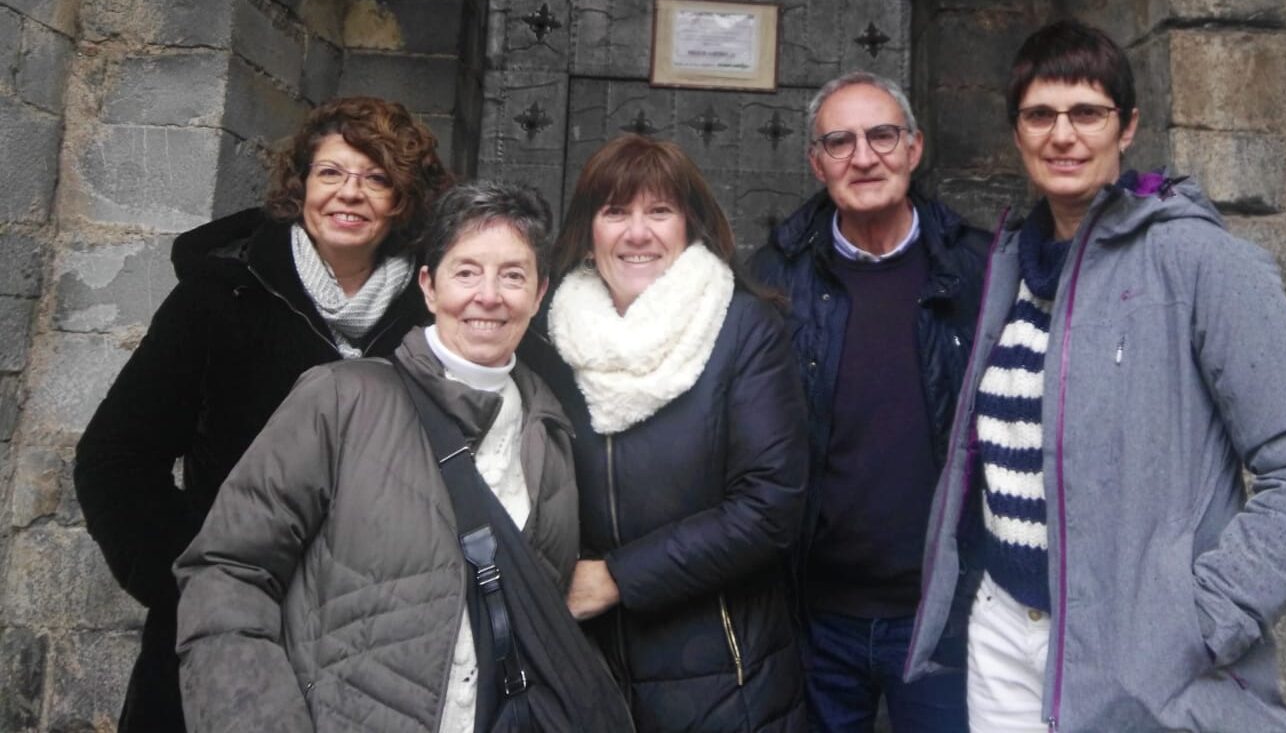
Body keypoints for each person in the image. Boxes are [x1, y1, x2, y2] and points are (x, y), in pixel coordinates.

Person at [904, 19, 1286, 731]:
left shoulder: (1202, 263)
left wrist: (1197, 620)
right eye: (1040, 115)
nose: (1063, 134)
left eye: (1087, 112)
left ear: (1127, 127)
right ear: (1015, 132)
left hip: (1139, 656)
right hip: (1004, 639)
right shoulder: (1009, 268)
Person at [175, 182, 622, 731]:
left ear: (538, 292)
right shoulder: (341, 399)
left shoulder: (549, 431)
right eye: (466, 272)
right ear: (430, 287)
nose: (489, 294)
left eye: (512, 274)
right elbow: (229, 570)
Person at [74, 96, 454, 732]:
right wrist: (194, 584)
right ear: (301, 184)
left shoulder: (436, 313)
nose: (349, 194)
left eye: (377, 178)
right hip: (224, 629)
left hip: (377, 646)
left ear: (405, 200)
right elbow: (115, 460)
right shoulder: (222, 296)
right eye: (331, 173)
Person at [537, 134, 808, 731]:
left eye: (659, 211)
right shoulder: (549, 337)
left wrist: (617, 578)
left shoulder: (743, 330)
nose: (638, 233)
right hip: (586, 673)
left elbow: (770, 508)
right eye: (616, 212)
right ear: (588, 231)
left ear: (690, 225)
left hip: (725, 679)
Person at [748, 71, 987, 732]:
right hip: (817, 621)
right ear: (816, 162)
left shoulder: (980, 270)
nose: (863, 156)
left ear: (913, 148)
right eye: (840, 140)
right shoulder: (772, 279)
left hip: (944, 619)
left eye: (882, 135)